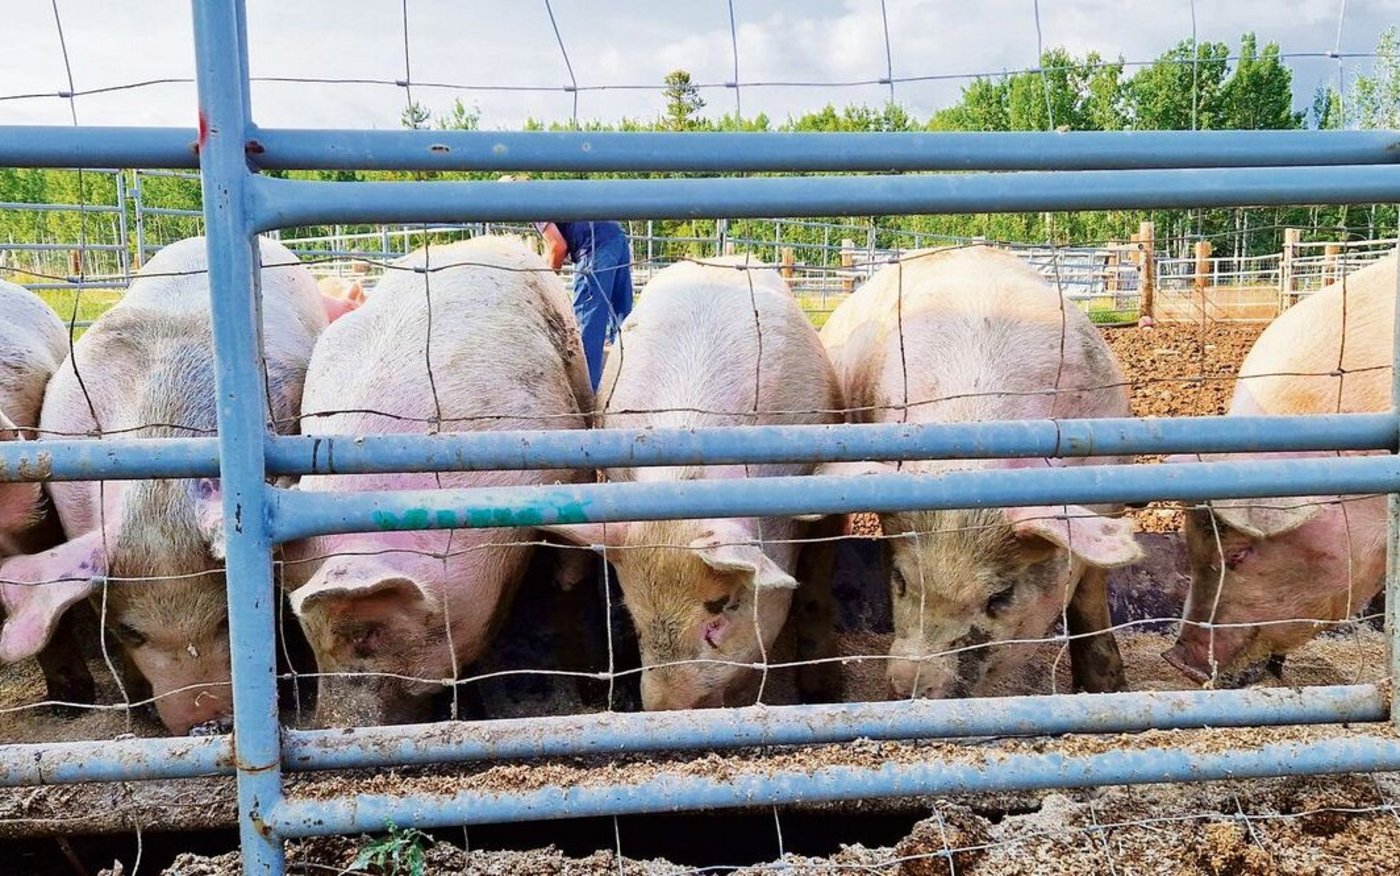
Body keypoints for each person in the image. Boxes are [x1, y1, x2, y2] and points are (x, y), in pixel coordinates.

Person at [533, 219, 634, 391]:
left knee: (587, 332)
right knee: (621, 323)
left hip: (593, 247)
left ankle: (586, 401)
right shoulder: (555, 191)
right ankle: (628, 388)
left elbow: (558, 246)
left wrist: (544, 285)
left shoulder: (530, 202)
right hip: (616, 237)